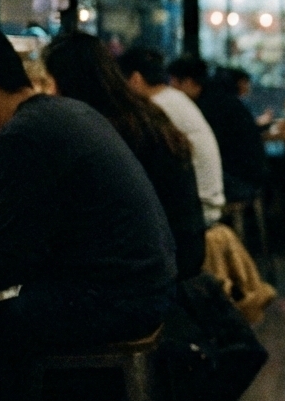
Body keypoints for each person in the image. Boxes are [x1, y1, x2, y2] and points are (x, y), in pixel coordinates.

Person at [0, 27, 177, 401]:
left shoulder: (21, 135)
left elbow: (18, 258)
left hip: (114, 298)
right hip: (143, 285)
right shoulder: (59, 113)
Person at [43, 34, 207, 281]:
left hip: (155, 272)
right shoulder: (139, 112)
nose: (48, 94)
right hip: (183, 251)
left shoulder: (104, 128)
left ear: (66, 83)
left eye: (49, 83)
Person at [118, 47, 226, 226]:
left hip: (197, 210)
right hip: (205, 201)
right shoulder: (173, 98)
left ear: (135, 79)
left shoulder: (157, 108)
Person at [167, 55, 269, 205]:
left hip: (240, 181)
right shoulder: (219, 98)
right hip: (251, 176)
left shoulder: (209, 106)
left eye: (173, 83)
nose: (171, 91)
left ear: (188, 82)